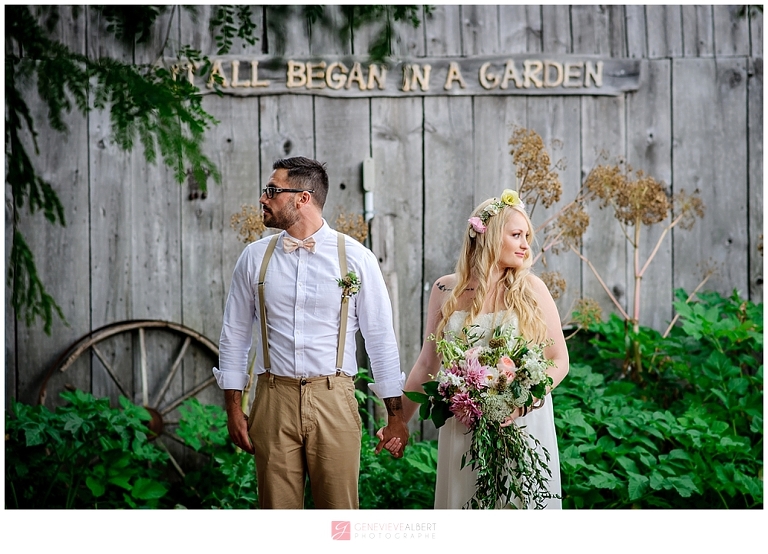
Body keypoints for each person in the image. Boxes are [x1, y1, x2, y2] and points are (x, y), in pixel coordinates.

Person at [213, 156, 409, 509]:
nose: (263, 198)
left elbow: (380, 339)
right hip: (273, 398)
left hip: (333, 397)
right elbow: (235, 335)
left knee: (338, 519)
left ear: (302, 198)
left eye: (272, 190)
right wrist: (233, 408)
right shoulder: (253, 257)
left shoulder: (357, 259)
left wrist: (395, 417)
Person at [386, 190, 569, 509]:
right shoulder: (445, 290)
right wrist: (399, 420)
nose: (526, 244)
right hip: (465, 423)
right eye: (516, 235)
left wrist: (521, 404)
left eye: (527, 236)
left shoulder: (532, 290)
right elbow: (428, 362)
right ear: (489, 237)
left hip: (521, 421)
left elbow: (559, 360)